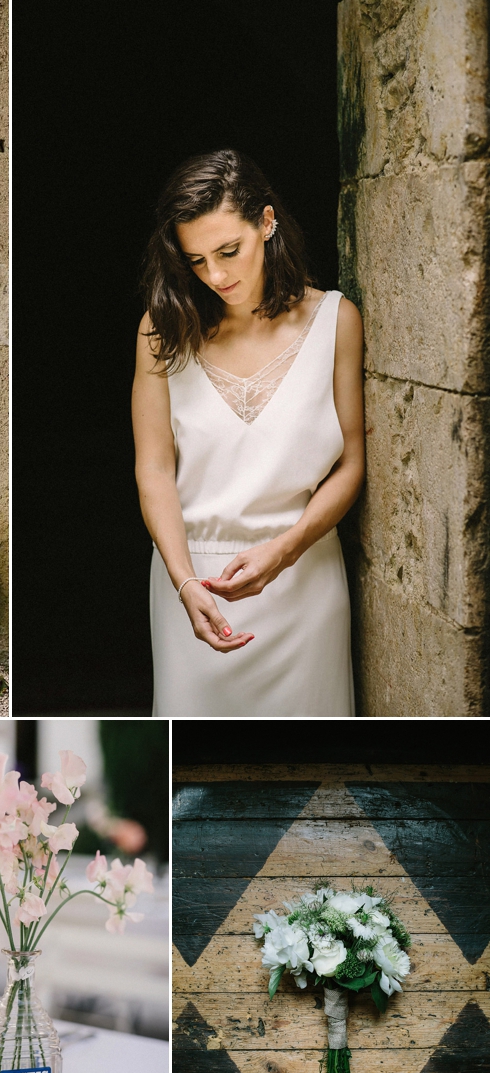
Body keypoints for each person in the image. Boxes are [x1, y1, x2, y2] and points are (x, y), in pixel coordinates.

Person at [132, 149, 364, 716]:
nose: (215, 275)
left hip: (304, 577)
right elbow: (154, 469)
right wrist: (185, 583)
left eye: (228, 251)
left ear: (266, 222)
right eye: (197, 260)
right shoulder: (161, 332)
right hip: (194, 587)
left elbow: (352, 462)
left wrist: (285, 551)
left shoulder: (337, 320)